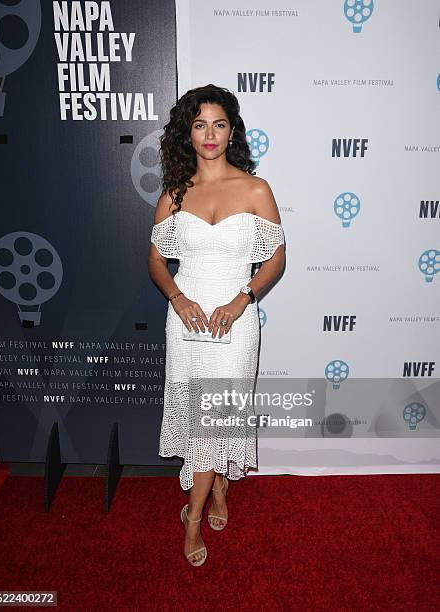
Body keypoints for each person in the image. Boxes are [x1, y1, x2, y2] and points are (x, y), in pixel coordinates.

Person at [148, 84, 286, 566]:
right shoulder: (174, 192)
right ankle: (219, 488)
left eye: (219, 123)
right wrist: (178, 297)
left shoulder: (254, 189)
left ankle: (193, 516)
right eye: (200, 124)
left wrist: (242, 298)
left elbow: (275, 260)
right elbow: (156, 262)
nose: (210, 134)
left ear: (232, 130)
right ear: (188, 132)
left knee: (215, 420)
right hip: (185, 323)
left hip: (234, 323)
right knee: (199, 419)